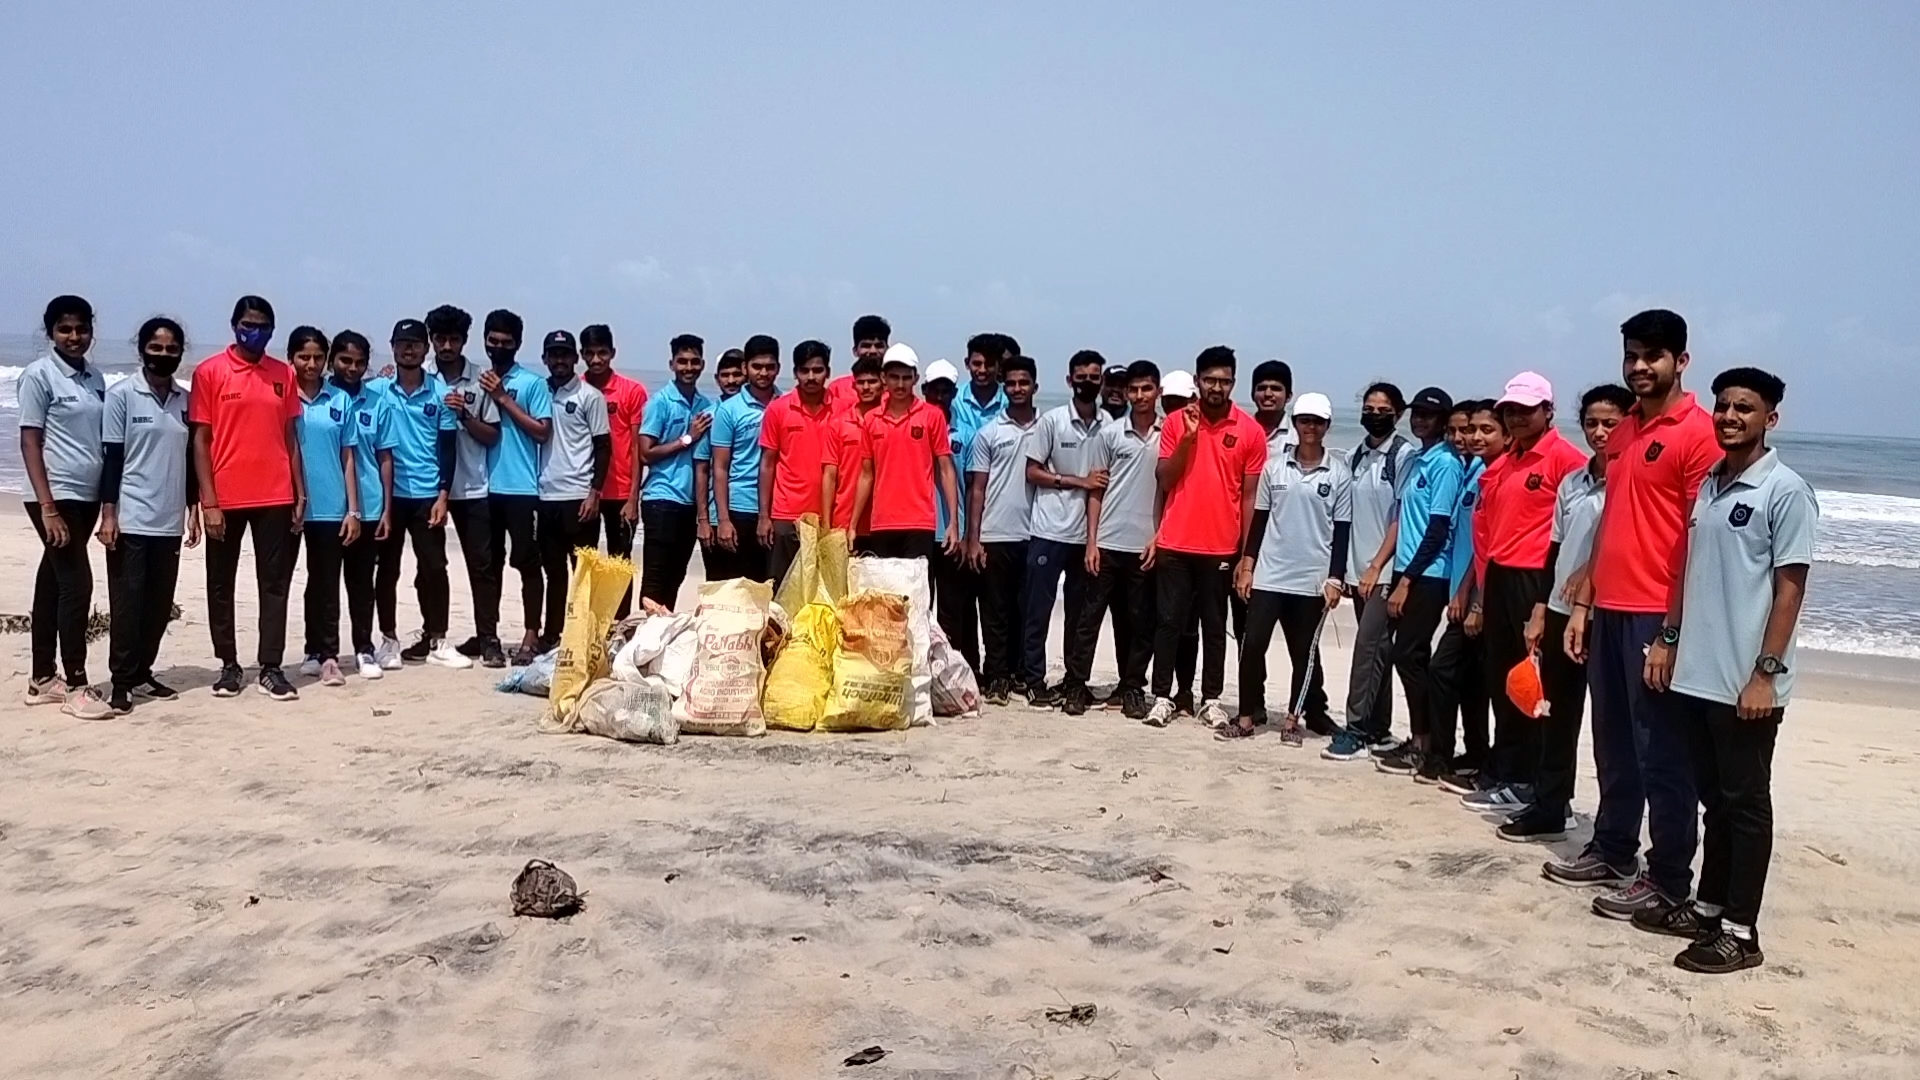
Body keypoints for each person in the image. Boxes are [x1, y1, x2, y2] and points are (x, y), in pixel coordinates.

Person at [1554, 310, 1720, 925]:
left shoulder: (1699, 434)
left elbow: (1700, 542)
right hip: (1610, 609)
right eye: (1632, 355)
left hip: (1657, 613)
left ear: (1681, 361)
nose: (1640, 366)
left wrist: (1672, 633)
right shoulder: (1624, 430)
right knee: (1614, 743)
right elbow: (1611, 520)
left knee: (1663, 753)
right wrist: (1584, 602)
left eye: (1653, 355)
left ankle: (1669, 878)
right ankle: (1613, 847)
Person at [1658, 367, 1814, 973]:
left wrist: (1765, 674)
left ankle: (1741, 933)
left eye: (1743, 408)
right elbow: (1693, 574)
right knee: (1716, 804)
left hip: (1747, 684)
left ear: (1769, 418)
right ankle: (1708, 910)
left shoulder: (1785, 490)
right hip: (1698, 676)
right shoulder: (1709, 484)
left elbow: (1790, 588)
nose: (1729, 417)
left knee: (1746, 806)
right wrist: (1670, 640)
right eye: (1723, 406)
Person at [1502, 384, 1632, 842]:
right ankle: (1550, 805)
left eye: (1610, 423)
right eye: (1592, 423)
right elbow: (1553, 549)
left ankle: (1614, 829)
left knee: (1611, 727)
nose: (1600, 432)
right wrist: (1541, 609)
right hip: (1560, 609)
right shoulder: (1574, 482)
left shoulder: (1631, 480)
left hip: (1609, 613)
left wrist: (1589, 574)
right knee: (1554, 714)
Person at [1142, 347, 1266, 729]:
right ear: (1197, 381)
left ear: (1233, 383)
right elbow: (1165, 479)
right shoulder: (1176, 422)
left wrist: (1246, 556)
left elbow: (1249, 498)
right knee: (1168, 623)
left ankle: (1211, 699)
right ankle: (1162, 697)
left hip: (1221, 547)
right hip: (1175, 542)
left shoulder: (1250, 430)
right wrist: (1188, 438)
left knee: (1214, 627)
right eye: (1209, 380)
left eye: (1224, 381)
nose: (1216, 387)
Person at [190, 295, 306, 702]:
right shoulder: (209, 372)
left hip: (275, 494)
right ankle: (229, 664)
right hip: (226, 496)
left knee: (274, 582)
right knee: (220, 582)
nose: (255, 332)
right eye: (248, 325)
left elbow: (290, 437)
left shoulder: (283, 374)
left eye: (263, 326)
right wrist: (209, 502)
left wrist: (300, 491)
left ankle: (271, 666)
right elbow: (201, 441)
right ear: (234, 325)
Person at [1229, 392, 1350, 741]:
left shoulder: (1338, 474)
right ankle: (1246, 717)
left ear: (1327, 426)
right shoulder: (1275, 467)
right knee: (1252, 646)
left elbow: (1342, 531)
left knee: (1304, 654)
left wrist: (1335, 578)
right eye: (1304, 420)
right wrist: (1248, 565)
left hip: (1311, 579)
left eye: (1317, 422)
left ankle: (1293, 721)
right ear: (1295, 423)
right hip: (1270, 574)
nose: (1310, 427)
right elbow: (1260, 520)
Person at [97, 316, 200, 715]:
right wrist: (109, 514)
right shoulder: (122, 395)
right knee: (128, 604)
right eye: (156, 348)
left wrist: (193, 509)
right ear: (141, 350)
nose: (163, 355)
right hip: (131, 517)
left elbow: (190, 460)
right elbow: (112, 459)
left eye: (172, 349)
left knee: (158, 605)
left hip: (169, 520)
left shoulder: (185, 400)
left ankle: (143, 673)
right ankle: (122, 681)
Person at [18, 295, 109, 716]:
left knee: (52, 582)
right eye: (65, 329)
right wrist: (47, 506)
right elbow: (30, 441)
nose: (74, 336)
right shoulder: (39, 375)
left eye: (81, 328)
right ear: (50, 331)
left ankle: (41, 679)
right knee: (77, 583)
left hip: (87, 495)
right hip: (56, 494)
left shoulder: (95, 378)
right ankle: (76, 685)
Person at [1409, 401, 1499, 782]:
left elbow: (1490, 546)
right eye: (1460, 430)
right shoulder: (1471, 471)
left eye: (1480, 429)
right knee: (1472, 680)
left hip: (1481, 595)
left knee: (1442, 670)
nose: (1468, 437)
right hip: (1463, 590)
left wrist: (1473, 598)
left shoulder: (1490, 474)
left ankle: (1440, 756)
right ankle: (1476, 752)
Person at [1325, 383, 1416, 761]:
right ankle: (1379, 729)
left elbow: (1402, 516)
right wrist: (1347, 570)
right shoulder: (1355, 456)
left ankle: (1357, 730)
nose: (1374, 415)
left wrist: (1378, 565)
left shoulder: (1404, 455)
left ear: (1398, 414)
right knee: (1378, 650)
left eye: (1383, 410)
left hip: (1386, 571)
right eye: (1368, 408)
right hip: (1359, 572)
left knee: (1366, 649)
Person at [371, 319, 467, 669]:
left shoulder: (441, 394)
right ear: (393, 347)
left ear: (426, 349)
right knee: (387, 569)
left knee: (434, 567)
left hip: (427, 494)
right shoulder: (377, 390)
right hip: (388, 496)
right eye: (402, 343)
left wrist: (444, 495)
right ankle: (388, 640)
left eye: (414, 343)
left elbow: (448, 448)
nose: (408, 349)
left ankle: (438, 639)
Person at [1021, 350, 1110, 713]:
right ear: (1069, 380)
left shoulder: (1109, 425)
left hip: (1088, 537)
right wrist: (1077, 481)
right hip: (1049, 530)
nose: (1088, 382)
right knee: (1038, 611)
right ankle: (1033, 680)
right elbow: (1032, 471)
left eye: (1094, 377)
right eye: (1081, 376)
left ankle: (1074, 682)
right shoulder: (1052, 422)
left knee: (1079, 615)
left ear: (1101, 380)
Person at [1382, 387, 1464, 757]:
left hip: (1429, 573)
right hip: (1407, 567)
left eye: (1428, 415)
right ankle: (1421, 736)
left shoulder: (1445, 463)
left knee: (1409, 655)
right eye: (1416, 413)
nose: (1420, 420)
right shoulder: (1419, 458)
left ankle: (1425, 740)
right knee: (1405, 655)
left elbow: (1437, 531)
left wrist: (1407, 580)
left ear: (1443, 420)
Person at [1082, 360, 1162, 719]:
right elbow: (1096, 491)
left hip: (1146, 546)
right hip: (1108, 542)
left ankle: (1131, 687)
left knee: (1139, 624)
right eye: (1134, 389)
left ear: (1158, 391)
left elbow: (1172, 490)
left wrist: (1159, 537)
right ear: (1126, 393)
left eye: (1147, 388)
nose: (1140, 395)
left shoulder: (1168, 434)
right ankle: (1076, 683)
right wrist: (1091, 541)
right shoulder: (1110, 434)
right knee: (1089, 619)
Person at [429, 305, 506, 666]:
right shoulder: (419, 378)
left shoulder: (481, 380)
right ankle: (433, 636)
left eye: (454, 339)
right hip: (428, 489)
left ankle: (488, 638)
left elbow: (492, 435)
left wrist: (464, 415)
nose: (447, 346)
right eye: (440, 339)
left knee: (483, 567)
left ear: (464, 341)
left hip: (474, 487)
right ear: (431, 340)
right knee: (431, 566)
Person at [965, 354, 1041, 706]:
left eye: (1023, 382)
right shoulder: (990, 432)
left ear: (1035, 386)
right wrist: (974, 538)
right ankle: (995, 676)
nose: (1017, 388)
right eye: (1010, 383)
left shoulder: (1047, 428)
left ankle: (1021, 673)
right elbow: (977, 488)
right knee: (995, 612)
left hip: (1037, 532)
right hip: (995, 533)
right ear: (1003, 387)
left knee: (1026, 610)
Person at [478, 309, 553, 658]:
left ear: (518, 344)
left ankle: (530, 635)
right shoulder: (479, 380)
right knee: (488, 565)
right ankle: (488, 636)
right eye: (493, 340)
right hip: (483, 488)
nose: (498, 347)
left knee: (527, 563)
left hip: (522, 488)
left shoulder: (532, 383)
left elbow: (542, 431)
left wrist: (504, 398)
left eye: (506, 342)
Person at [289, 327, 361, 687]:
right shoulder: (282, 396)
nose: (311, 364)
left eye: (318, 357)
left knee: (326, 582)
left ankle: (329, 656)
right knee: (292, 584)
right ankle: (310, 650)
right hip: (287, 505)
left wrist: (353, 510)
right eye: (304, 356)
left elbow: (348, 457)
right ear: (291, 358)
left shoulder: (340, 400)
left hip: (331, 507)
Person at [533, 330, 612, 645]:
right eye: (554, 354)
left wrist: (595, 493)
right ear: (545, 358)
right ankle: (552, 634)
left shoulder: (590, 396)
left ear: (575, 358)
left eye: (565, 354)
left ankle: (583, 637)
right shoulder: (538, 391)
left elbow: (603, 447)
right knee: (553, 572)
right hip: (545, 495)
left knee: (583, 574)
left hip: (579, 497)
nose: (559, 360)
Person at [850, 344, 961, 562]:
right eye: (894, 377)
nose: (900, 384)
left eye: (906, 378)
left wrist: (953, 523)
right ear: (884, 378)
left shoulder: (932, 416)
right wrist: (853, 525)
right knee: (884, 584)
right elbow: (866, 475)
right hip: (882, 522)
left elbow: (946, 470)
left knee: (916, 583)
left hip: (920, 522)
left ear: (916, 378)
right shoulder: (871, 420)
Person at [329, 331, 397, 679]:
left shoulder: (377, 403)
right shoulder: (318, 397)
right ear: (332, 360)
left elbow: (385, 458)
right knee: (323, 582)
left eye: (359, 363)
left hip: (368, 505)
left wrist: (386, 509)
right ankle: (320, 650)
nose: (352, 368)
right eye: (345, 360)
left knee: (361, 582)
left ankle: (364, 648)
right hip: (327, 506)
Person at [630, 335, 711, 610]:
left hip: (690, 503)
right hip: (661, 499)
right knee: (655, 579)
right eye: (682, 361)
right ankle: (646, 632)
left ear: (702, 365)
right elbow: (645, 453)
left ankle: (663, 630)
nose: (688, 367)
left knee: (675, 578)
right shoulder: (661, 402)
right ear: (672, 364)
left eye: (694, 361)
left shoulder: (704, 405)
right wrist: (687, 439)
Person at [699, 335, 779, 582]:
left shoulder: (784, 404)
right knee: (732, 588)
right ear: (746, 368)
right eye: (757, 366)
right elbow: (719, 468)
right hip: (739, 508)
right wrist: (722, 520)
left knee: (768, 588)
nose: (763, 373)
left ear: (778, 368)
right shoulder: (729, 410)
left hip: (777, 508)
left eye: (769, 366)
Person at [581, 324, 647, 618]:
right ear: (582, 354)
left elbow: (635, 446)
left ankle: (619, 623)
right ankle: (587, 621)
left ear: (612, 353)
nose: (596, 359)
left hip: (620, 490)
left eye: (602, 353)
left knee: (620, 561)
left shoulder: (632, 391)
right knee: (584, 561)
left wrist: (634, 497)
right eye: (590, 353)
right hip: (583, 490)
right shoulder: (575, 388)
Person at [757, 340, 835, 588]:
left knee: (824, 593)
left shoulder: (842, 409)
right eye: (804, 370)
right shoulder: (778, 409)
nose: (811, 377)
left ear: (828, 372)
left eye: (817, 370)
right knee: (781, 590)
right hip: (786, 515)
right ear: (795, 373)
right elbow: (767, 464)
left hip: (829, 517)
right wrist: (764, 517)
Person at [921, 360, 981, 672]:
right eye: (934, 390)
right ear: (924, 390)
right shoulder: (913, 427)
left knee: (952, 609)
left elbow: (971, 488)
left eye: (946, 390)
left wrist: (968, 533)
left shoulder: (966, 434)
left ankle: (951, 672)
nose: (940, 396)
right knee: (919, 607)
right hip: (918, 529)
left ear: (955, 393)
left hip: (951, 533)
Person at [1156, 370, 1203, 714]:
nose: (1174, 408)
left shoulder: (1201, 430)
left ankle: (1185, 690)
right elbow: (1163, 485)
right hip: (1165, 538)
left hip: (1196, 539)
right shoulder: (1164, 431)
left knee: (1190, 625)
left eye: (1181, 402)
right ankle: (1157, 690)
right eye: (1169, 402)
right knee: (1165, 621)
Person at [822, 354, 885, 543]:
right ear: (853, 385)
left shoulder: (889, 423)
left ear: (883, 383)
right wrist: (826, 524)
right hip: (843, 519)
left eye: (872, 382)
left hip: (881, 522)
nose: (866, 387)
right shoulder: (838, 424)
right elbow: (830, 476)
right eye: (861, 382)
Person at [826, 315, 889, 411]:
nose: (873, 351)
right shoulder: (837, 389)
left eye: (879, 346)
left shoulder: (897, 387)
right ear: (855, 351)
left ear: (887, 349)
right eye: (866, 346)